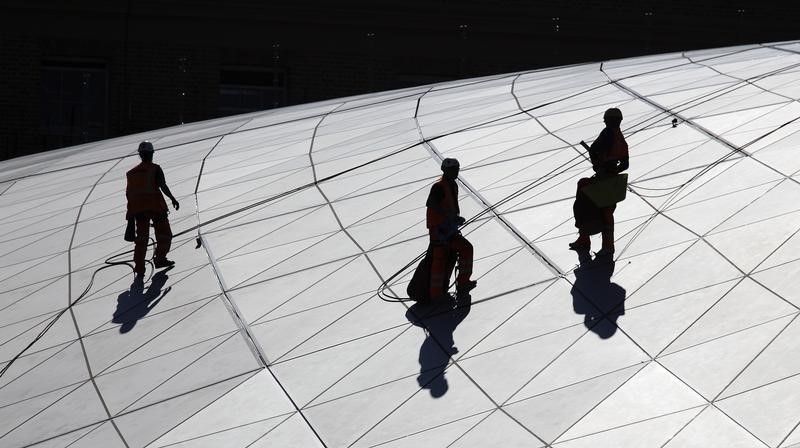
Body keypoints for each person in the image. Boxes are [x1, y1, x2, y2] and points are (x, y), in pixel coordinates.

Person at [569, 108, 629, 257]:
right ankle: (607, 246)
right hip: (612, 181)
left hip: (604, 180)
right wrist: (613, 171)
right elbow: (625, 164)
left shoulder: (607, 134)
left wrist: (600, 166)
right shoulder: (620, 138)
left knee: (582, 197)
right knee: (607, 212)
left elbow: (594, 150)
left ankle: (585, 239)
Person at [126, 141, 180, 276]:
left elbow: (129, 193)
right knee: (165, 235)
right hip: (156, 207)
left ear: (140, 155)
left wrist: (131, 214)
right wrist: (173, 198)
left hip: (139, 211)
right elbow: (162, 185)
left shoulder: (131, 173)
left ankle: (139, 268)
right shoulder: (155, 169)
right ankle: (160, 259)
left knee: (141, 240)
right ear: (151, 154)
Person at [426, 158, 477, 300]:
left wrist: (455, 218)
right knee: (440, 259)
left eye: (457, 169)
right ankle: (436, 294)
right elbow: (431, 203)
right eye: (453, 169)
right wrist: (449, 216)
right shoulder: (439, 186)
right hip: (439, 231)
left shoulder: (452, 185)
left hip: (449, 229)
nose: (456, 172)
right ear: (445, 170)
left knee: (466, 249)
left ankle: (463, 282)